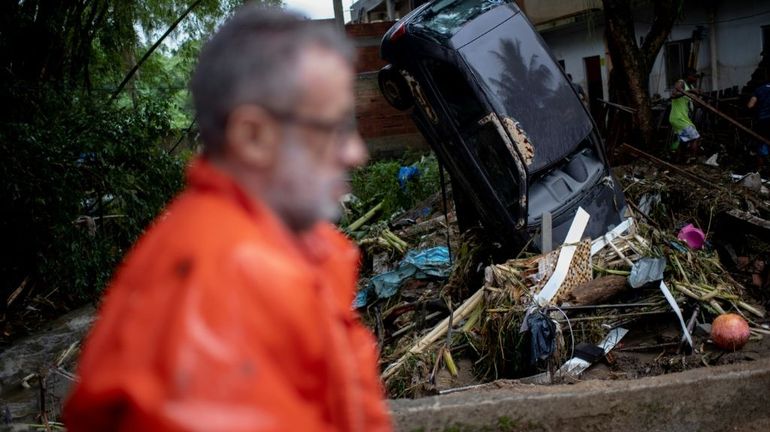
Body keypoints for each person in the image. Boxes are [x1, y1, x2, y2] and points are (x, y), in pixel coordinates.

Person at [64, 7, 392, 432]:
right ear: (253, 136)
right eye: (334, 129)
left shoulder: (289, 250)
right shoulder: (220, 289)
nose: (355, 154)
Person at [669, 68, 701, 161]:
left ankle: (678, 159)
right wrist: (690, 92)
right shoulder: (681, 82)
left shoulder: (690, 86)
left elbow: (696, 104)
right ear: (689, 76)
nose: (696, 79)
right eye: (694, 76)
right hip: (678, 117)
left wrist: (697, 96)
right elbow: (673, 95)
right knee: (696, 138)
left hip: (683, 117)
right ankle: (692, 159)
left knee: (684, 140)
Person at [747, 75, 770, 171]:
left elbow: (750, 105)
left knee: (760, 143)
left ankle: (760, 168)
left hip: (763, 120)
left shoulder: (759, 90)